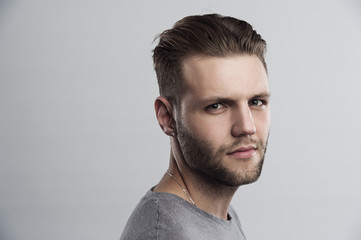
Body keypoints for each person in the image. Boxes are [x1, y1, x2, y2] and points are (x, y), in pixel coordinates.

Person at [120, 13, 270, 240]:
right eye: (217, 106)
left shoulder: (219, 214)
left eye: (256, 102)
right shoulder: (166, 233)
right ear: (167, 118)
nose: (247, 126)